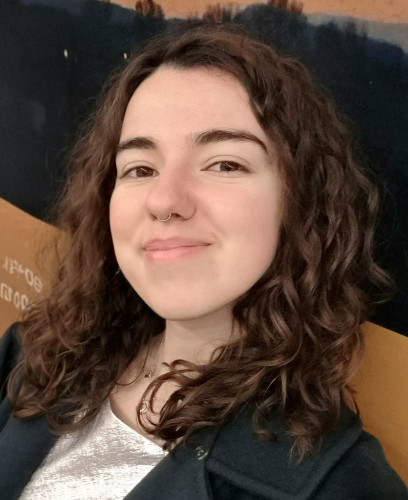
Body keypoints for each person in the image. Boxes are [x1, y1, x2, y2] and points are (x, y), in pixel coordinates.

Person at [0, 24, 407, 500]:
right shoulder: (33, 356)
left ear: (299, 200)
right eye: (140, 168)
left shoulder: (340, 486)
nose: (164, 199)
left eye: (224, 163)